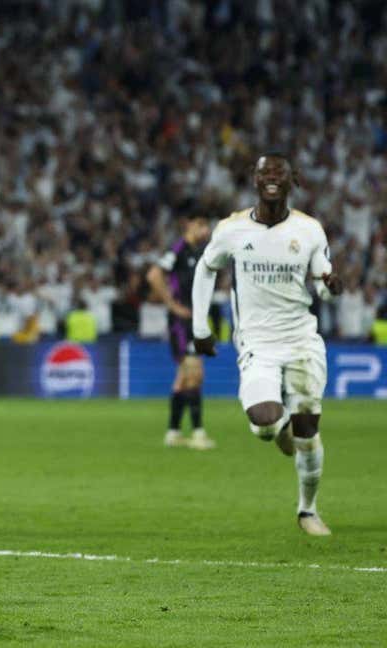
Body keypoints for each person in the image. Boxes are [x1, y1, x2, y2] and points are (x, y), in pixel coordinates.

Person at [192, 153, 343, 537]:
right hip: (257, 340)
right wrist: (200, 326)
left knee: (308, 429)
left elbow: (323, 285)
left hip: (301, 339)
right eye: (265, 173)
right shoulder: (232, 229)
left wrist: (331, 287)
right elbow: (205, 268)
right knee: (263, 421)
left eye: (279, 173)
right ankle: (282, 432)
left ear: (292, 181)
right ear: (254, 181)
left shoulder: (310, 230)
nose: (272, 179)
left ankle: (307, 510)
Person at [147, 214, 215, 450]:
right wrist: (172, 305)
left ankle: (173, 432)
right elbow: (154, 275)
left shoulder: (198, 251)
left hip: (193, 320)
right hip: (181, 322)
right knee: (194, 374)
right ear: (190, 224)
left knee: (184, 379)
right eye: (201, 225)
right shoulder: (178, 248)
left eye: (207, 226)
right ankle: (198, 433)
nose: (205, 230)